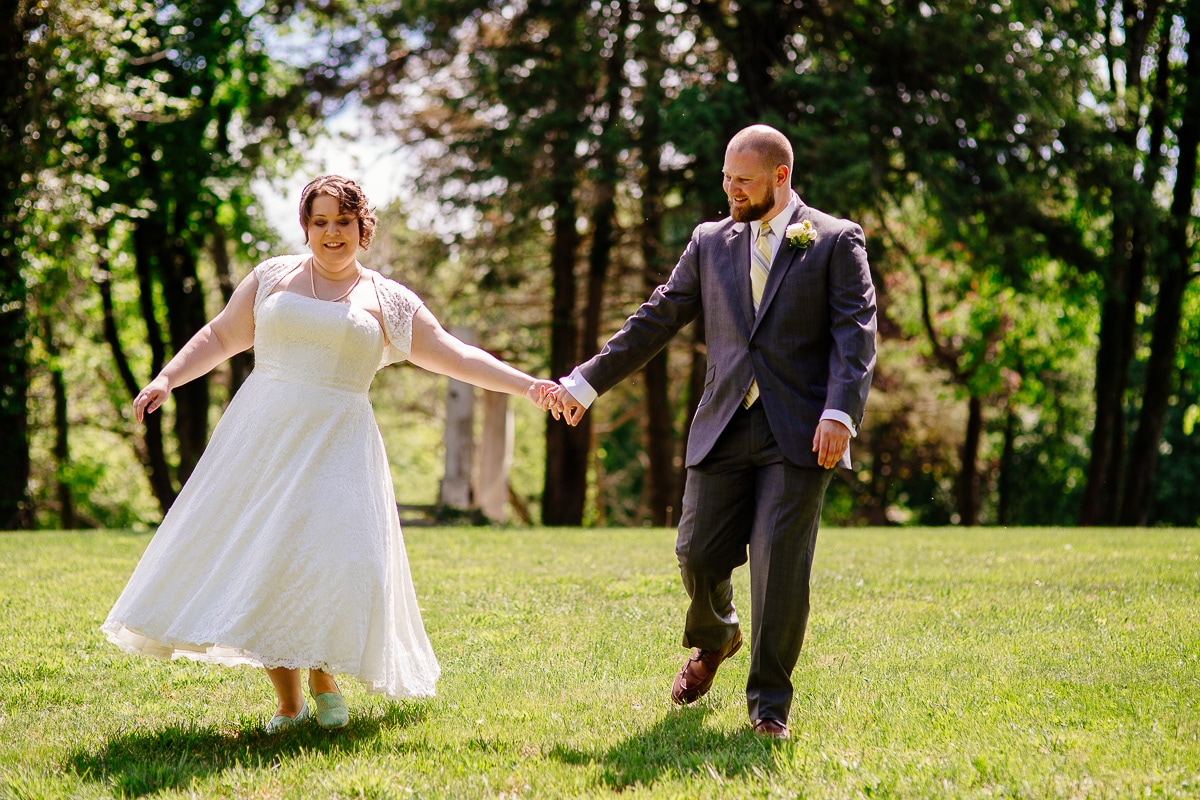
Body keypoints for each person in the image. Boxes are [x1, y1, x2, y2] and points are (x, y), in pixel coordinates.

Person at [103, 175, 556, 733]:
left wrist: (528, 385)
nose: (331, 233)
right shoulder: (272, 277)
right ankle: (289, 701)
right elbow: (221, 336)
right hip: (262, 435)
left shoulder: (386, 299)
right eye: (320, 222)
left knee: (332, 557)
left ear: (362, 228)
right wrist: (167, 378)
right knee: (265, 556)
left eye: (342, 221)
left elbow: (455, 356)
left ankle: (324, 674)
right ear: (306, 227)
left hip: (339, 441)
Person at [548, 125, 877, 739]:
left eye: (743, 181)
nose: (730, 190)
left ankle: (769, 707)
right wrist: (585, 383)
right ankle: (717, 635)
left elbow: (855, 335)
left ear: (780, 177)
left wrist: (840, 412)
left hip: (800, 432)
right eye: (725, 177)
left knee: (779, 565)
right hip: (723, 425)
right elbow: (656, 320)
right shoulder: (709, 242)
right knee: (696, 553)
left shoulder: (834, 240)